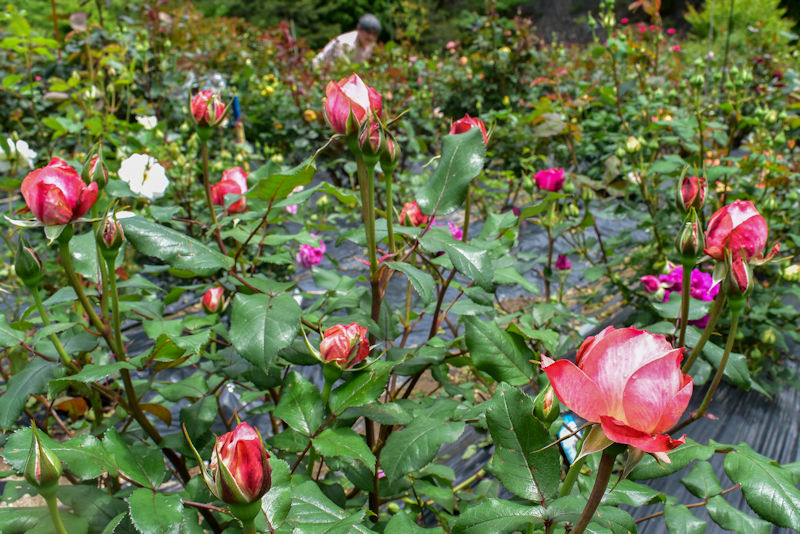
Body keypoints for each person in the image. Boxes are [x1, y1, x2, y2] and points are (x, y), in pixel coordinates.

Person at [313, 14, 381, 69]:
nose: (371, 37)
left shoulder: (371, 45)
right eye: (368, 32)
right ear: (359, 30)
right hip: (320, 69)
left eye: (374, 34)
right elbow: (338, 67)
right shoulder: (346, 43)